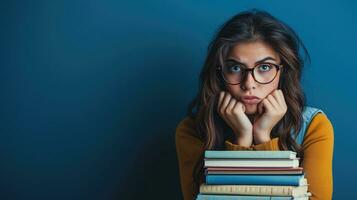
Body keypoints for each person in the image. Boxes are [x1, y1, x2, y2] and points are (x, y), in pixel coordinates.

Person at [175, 9, 334, 200]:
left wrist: (263, 137)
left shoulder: (314, 126)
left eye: (264, 67)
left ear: (283, 72)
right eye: (235, 68)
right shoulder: (192, 130)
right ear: (219, 73)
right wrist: (241, 140)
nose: (249, 83)